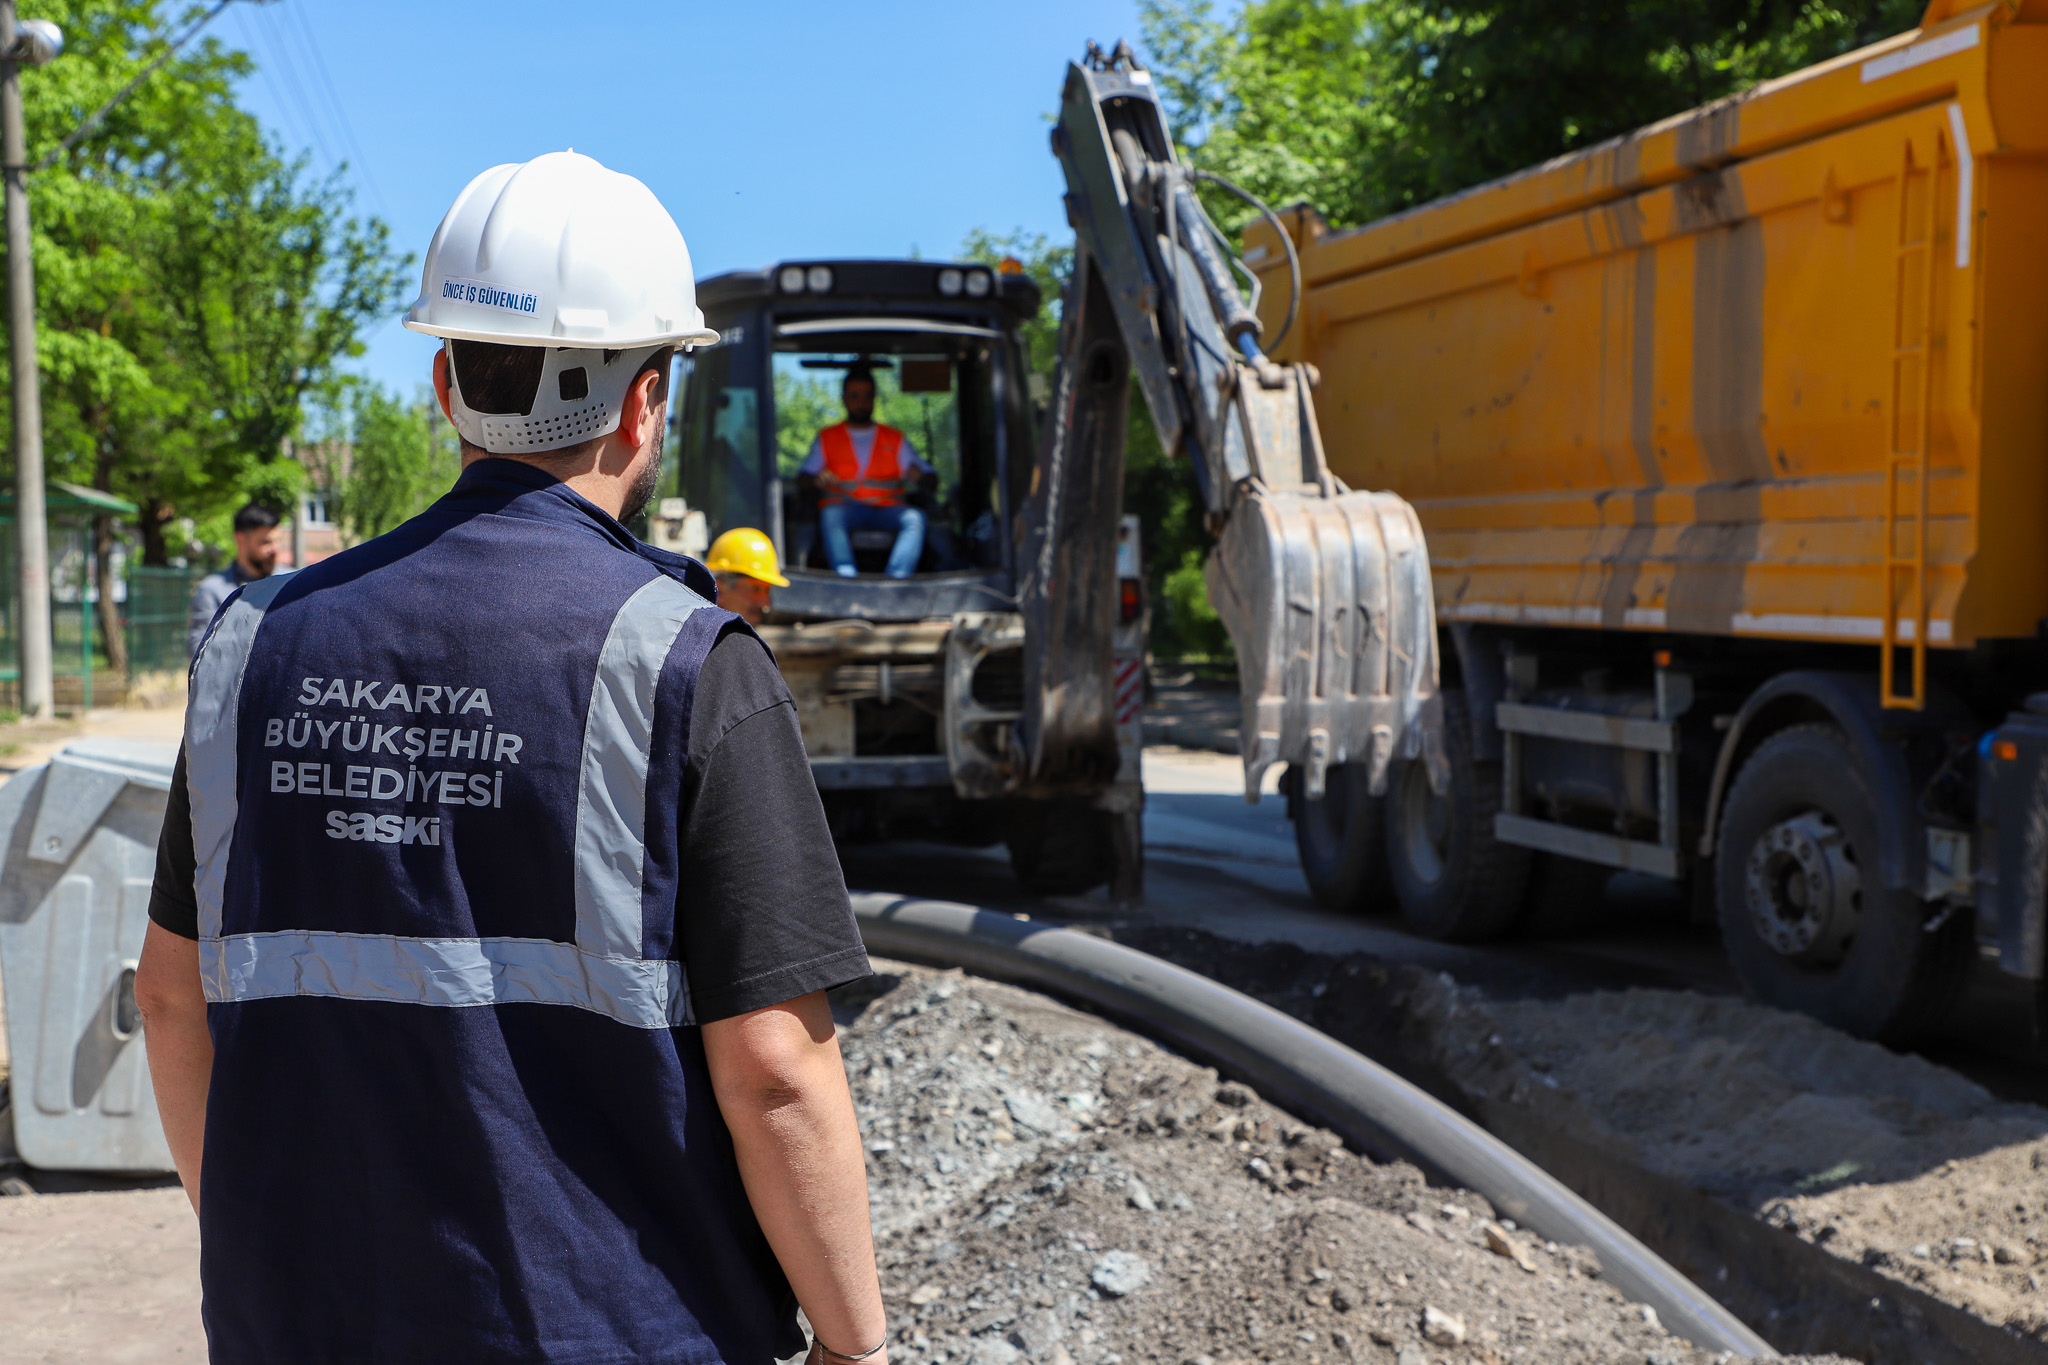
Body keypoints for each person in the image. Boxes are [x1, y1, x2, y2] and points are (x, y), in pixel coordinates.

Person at [135, 151, 889, 1365]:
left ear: (446, 383)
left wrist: (265, 1262)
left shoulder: (250, 647)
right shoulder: (689, 659)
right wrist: (855, 1347)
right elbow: (775, 1077)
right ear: (646, 402)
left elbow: (172, 999)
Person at [799, 368, 934, 579]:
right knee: (830, 514)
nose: (861, 403)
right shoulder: (828, 437)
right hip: (845, 509)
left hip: (887, 511)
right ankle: (846, 576)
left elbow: (930, 479)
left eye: (867, 396)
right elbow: (803, 478)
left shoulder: (894, 438)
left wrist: (921, 478)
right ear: (844, 399)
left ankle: (896, 579)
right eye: (854, 396)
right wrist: (816, 480)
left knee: (915, 518)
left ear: (874, 398)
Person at [186, 503, 282, 658]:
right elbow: (199, 652)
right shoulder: (213, 590)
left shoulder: (292, 582)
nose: (275, 550)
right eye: (265, 542)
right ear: (240, 539)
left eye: (278, 541)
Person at [704, 526, 788, 627]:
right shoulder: (694, 639)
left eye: (767, 591)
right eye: (756, 589)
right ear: (720, 590)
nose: (765, 603)